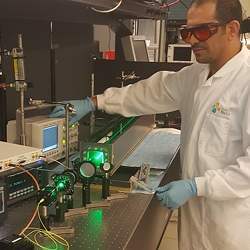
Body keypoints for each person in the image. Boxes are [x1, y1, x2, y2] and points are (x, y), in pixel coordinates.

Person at [50, 0, 250, 249]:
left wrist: (196, 185)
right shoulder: (197, 74)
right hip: (194, 220)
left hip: (230, 226)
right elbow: (149, 92)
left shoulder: (246, 82)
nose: (191, 40)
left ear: (231, 30)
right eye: (186, 32)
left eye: (201, 31)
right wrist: (94, 102)